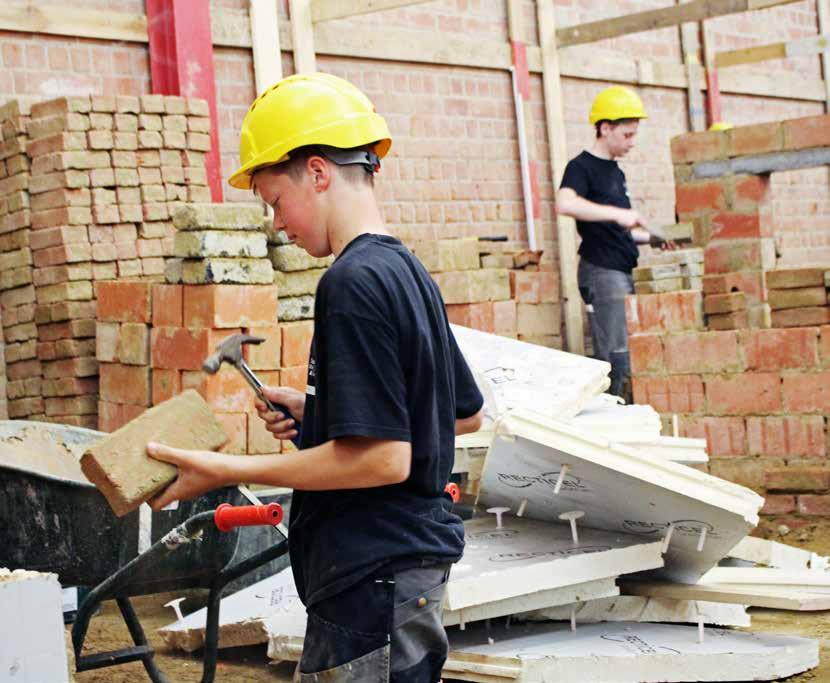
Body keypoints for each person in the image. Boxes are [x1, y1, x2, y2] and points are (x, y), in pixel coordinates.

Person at [146, 72, 485, 683]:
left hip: (371, 577)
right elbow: (460, 409)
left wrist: (224, 470)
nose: (278, 223)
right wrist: (323, 412)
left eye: (276, 200)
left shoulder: (350, 283)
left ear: (319, 172)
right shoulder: (406, 270)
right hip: (402, 573)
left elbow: (383, 460)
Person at [556, 85, 671, 399]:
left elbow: (613, 229)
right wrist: (618, 214)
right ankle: (611, 424)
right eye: (627, 135)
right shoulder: (580, 168)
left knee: (624, 352)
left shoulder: (615, 173)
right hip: (601, 272)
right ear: (605, 129)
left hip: (620, 269)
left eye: (635, 135)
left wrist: (651, 239)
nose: (632, 142)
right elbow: (565, 204)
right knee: (615, 356)